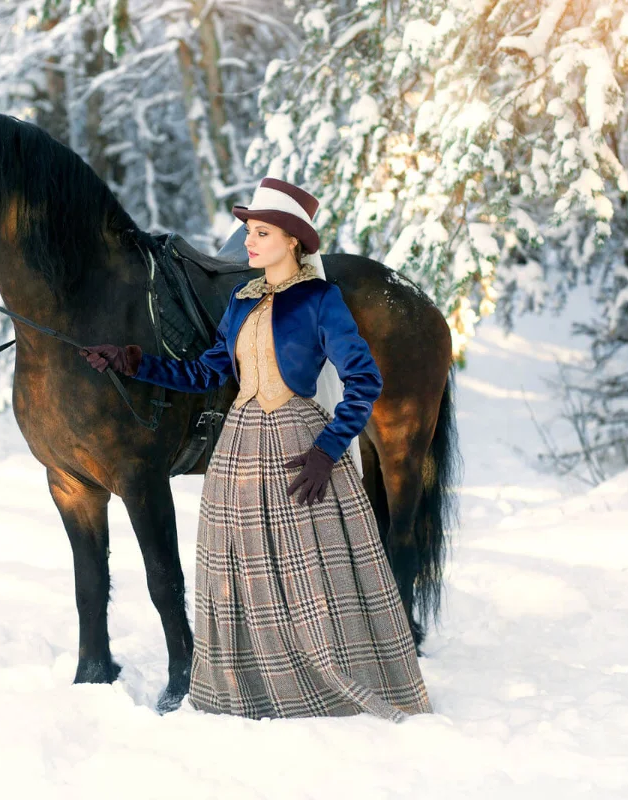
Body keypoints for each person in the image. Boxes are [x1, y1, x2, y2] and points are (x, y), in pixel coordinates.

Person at [79, 177, 431, 722]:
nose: (249, 240)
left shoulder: (321, 300)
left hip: (298, 441)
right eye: (248, 230)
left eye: (261, 232)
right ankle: (252, 684)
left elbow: (362, 380)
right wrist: (135, 362)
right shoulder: (242, 303)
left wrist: (328, 449)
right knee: (239, 571)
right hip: (239, 448)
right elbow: (206, 373)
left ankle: (322, 676)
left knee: (309, 570)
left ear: (293, 240)